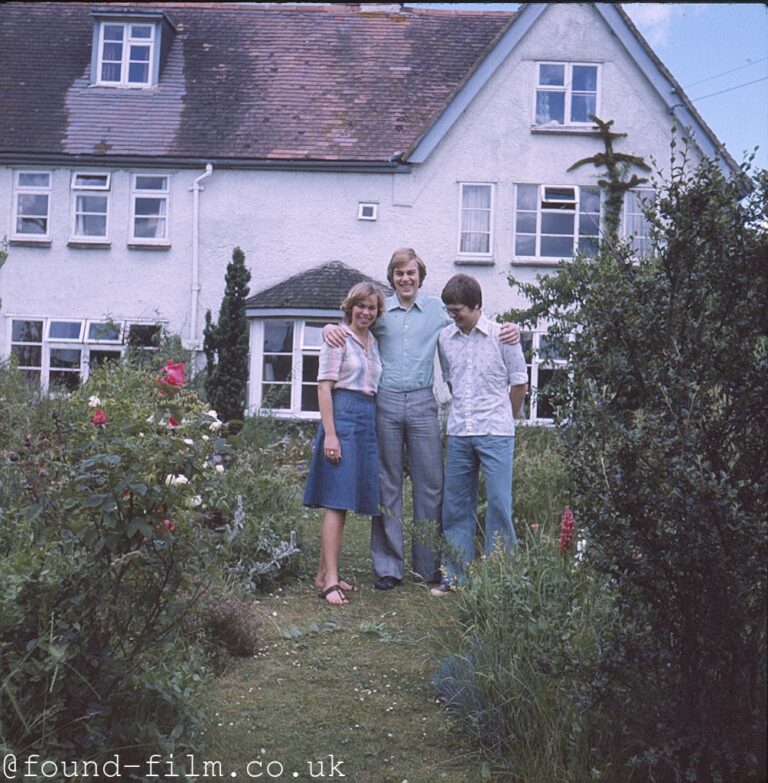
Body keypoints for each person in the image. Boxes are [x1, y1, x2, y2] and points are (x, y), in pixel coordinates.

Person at [324, 248, 520, 590]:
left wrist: (511, 329)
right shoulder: (380, 311)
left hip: (422, 402)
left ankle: (430, 565)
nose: (405, 279)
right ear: (392, 278)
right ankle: (389, 567)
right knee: (388, 484)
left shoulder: (437, 311)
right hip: (384, 402)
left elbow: (475, 322)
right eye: (399, 273)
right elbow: (354, 324)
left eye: (411, 273)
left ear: (420, 276)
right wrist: (330, 328)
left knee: (431, 485)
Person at [431, 273, 528, 596]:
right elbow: (451, 381)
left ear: (476, 306)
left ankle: (502, 577)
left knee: (499, 504)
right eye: (449, 310)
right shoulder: (445, 339)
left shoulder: (504, 336)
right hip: (460, 431)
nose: (453, 315)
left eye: (458, 309)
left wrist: (506, 418)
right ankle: (455, 577)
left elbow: (519, 383)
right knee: (456, 507)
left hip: (497, 432)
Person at [304, 282, 385, 605]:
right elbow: (323, 388)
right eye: (361, 306)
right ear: (350, 306)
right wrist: (331, 434)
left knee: (345, 499)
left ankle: (324, 573)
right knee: (335, 500)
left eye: (372, 308)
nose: (366, 312)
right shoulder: (338, 338)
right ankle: (330, 584)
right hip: (342, 414)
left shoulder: (373, 342)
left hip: (366, 417)